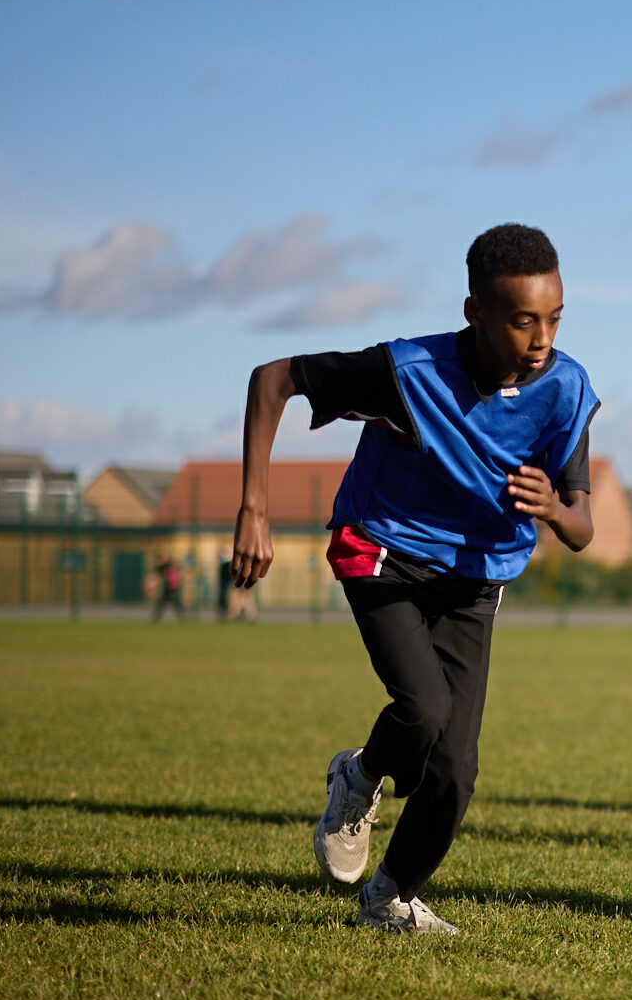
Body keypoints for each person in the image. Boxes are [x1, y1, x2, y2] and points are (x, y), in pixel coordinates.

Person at [229, 223, 599, 936]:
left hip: (474, 577)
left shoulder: (565, 390)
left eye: (554, 317)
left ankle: (391, 896)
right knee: (423, 708)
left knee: (456, 770)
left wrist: (553, 506)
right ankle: (360, 778)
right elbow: (272, 380)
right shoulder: (406, 372)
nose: (542, 336)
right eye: (524, 320)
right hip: (382, 548)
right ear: (476, 314)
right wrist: (253, 508)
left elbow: (582, 528)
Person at [152, 555, 187, 622]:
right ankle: (182, 618)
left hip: (171, 588)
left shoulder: (168, 567)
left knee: (173, 604)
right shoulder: (164, 567)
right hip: (170, 588)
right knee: (166, 604)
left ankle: (182, 618)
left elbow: (173, 579)